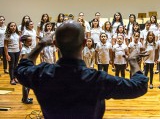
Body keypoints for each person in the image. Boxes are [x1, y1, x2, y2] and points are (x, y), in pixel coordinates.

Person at [15, 20, 148, 119]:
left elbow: (21, 68)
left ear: (55, 44)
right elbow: (139, 85)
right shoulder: (97, 79)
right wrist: (132, 62)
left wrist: (40, 45)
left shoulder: (41, 74)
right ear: (84, 43)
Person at [19, 35, 33, 104]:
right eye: (29, 41)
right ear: (24, 42)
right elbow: (23, 60)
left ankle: (25, 97)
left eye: (31, 41)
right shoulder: (24, 49)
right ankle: (25, 99)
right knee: (26, 84)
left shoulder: (28, 47)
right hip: (26, 68)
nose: (31, 42)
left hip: (29, 67)